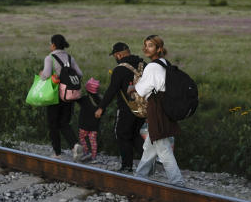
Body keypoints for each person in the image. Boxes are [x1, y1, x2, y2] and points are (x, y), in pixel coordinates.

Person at [133, 35, 184, 186]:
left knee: (163, 147)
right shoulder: (165, 64)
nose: (146, 48)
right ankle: (140, 177)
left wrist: (132, 88)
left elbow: (142, 90)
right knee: (151, 144)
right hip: (167, 106)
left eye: (150, 45)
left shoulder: (152, 66)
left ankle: (178, 183)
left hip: (157, 108)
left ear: (159, 48)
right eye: (145, 45)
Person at [95, 42, 146, 172]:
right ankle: (148, 162)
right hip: (143, 108)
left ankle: (126, 166)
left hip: (127, 108)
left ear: (118, 55)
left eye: (115, 56)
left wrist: (101, 107)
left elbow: (112, 90)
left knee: (122, 134)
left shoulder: (120, 69)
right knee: (135, 135)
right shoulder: (143, 65)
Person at [39, 34, 83, 159]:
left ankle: (57, 153)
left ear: (53, 45)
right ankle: (74, 145)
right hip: (69, 95)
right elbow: (80, 74)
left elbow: (46, 75)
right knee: (64, 122)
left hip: (55, 95)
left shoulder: (50, 58)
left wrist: (41, 74)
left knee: (53, 124)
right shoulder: (70, 58)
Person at [77, 78, 102, 162]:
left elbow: (75, 98)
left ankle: (86, 151)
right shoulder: (100, 100)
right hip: (94, 125)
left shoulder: (84, 99)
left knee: (82, 138)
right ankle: (94, 157)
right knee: (93, 141)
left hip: (84, 124)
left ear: (87, 90)